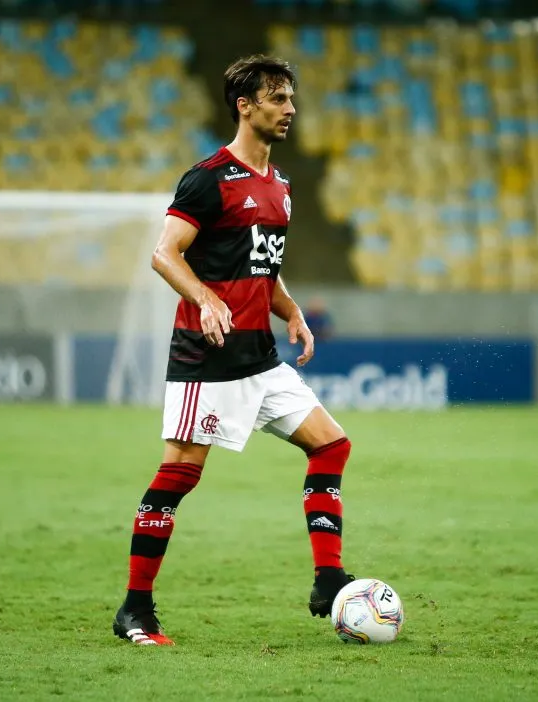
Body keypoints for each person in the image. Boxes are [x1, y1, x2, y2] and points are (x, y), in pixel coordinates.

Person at [112, 55, 354, 646]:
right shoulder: (208, 178)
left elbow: (262, 270)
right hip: (208, 357)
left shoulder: (282, 187)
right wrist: (204, 299)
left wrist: (291, 311)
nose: (290, 108)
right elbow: (164, 253)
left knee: (332, 445)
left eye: (292, 97)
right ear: (245, 105)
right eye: (277, 98)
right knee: (179, 475)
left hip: (260, 356)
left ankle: (327, 580)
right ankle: (135, 610)